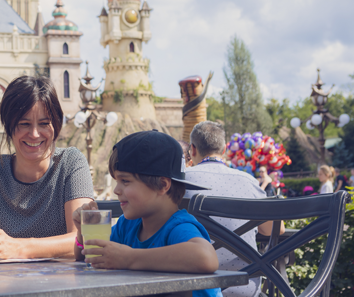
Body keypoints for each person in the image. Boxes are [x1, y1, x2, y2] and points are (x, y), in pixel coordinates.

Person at [0, 76, 94, 260]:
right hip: (7, 284)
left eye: (44, 124)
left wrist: (18, 247)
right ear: (8, 125)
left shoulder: (70, 163)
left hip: (60, 284)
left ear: (56, 124)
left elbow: (82, 239)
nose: (35, 134)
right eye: (24, 124)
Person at [72, 131, 221, 297]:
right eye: (116, 181)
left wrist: (129, 258)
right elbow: (92, 257)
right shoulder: (127, 225)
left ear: (162, 185)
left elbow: (206, 257)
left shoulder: (179, 227)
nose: (116, 190)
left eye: (125, 181)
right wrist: (82, 233)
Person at [185, 121, 283, 297]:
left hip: (193, 288)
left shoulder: (180, 183)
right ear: (224, 151)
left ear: (192, 149)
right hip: (244, 286)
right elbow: (274, 229)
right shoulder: (248, 181)